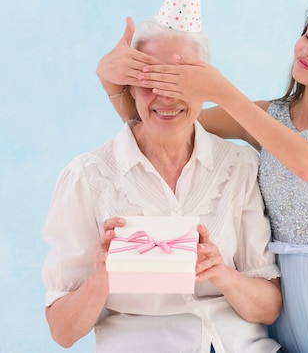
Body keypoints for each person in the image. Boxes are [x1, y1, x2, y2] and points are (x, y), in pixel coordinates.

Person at [97, 0, 308, 352]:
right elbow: (164, 127)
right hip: (285, 292)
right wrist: (110, 78)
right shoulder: (269, 117)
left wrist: (223, 93)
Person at [42, 18, 283, 353]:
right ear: (128, 85)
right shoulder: (87, 178)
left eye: (181, 80)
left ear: (206, 84)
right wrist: (100, 279)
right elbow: (62, 332)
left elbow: (269, 306)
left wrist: (223, 274)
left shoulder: (238, 167)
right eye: (151, 79)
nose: (166, 96)